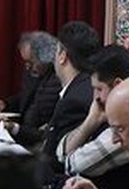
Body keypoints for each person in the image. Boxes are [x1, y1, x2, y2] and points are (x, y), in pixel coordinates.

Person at [55, 43, 129, 189]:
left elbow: (74, 165)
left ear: (118, 85)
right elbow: (61, 153)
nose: (96, 97)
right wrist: (92, 120)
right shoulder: (109, 113)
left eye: (99, 89)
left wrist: (71, 154)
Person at [39, 20, 101, 172]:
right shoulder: (86, 87)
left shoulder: (75, 100)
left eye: (56, 51)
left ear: (62, 56)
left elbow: (55, 161)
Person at [0, 31, 61, 151]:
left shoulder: (57, 80)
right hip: (23, 135)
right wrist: (5, 104)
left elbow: (40, 123)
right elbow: (25, 97)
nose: (27, 67)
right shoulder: (34, 72)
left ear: (46, 58)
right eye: (25, 62)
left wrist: (15, 128)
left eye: (31, 62)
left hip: (35, 144)